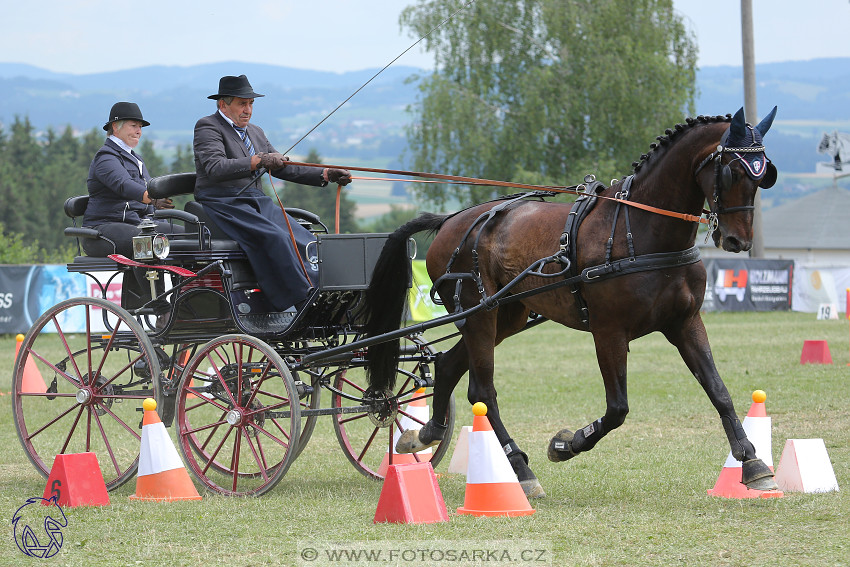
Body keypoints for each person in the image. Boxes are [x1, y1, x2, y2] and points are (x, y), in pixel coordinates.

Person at [193, 75, 351, 311]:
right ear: (222, 104)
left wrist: (325, 174)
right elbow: (215, 168)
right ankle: (301, 301)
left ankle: (325, 293)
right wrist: (258, 161)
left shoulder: (255, 132)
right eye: (241, 104)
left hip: (256, 202)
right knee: (276, 238)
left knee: (303, 238)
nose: (248, 110)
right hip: (224, 203)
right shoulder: (207, 126)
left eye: (251, 104)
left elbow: (282, 167)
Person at [82, 101, 179, 257]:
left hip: (136, 223)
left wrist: (158, 208)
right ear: (115, 126)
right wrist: (152, 198)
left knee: (190, 235)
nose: (139, 131)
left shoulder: (136, 159)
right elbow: (124, 185)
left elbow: (149, 190)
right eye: (134, 126)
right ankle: (152, 281)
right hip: (102, 228)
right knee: (147, 242)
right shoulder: (105, 158)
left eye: (140, 127)